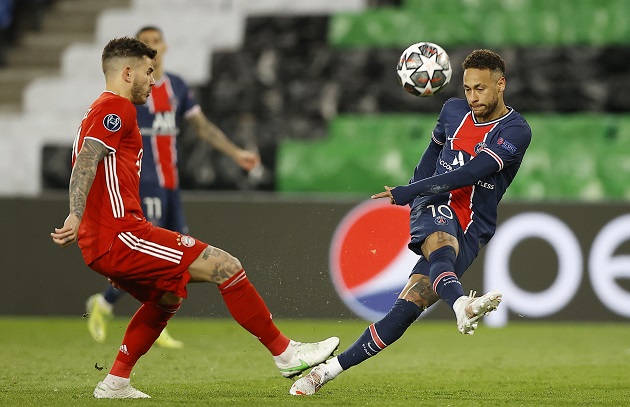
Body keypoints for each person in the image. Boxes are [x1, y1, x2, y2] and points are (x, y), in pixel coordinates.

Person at [51, 36, 339, 399]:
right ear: (127, 72)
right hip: (119, 234)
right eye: (148, 71)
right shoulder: (117, 109)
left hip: (106, 240)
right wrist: (75, 213)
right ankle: (286, 353)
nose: (153, 81)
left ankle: (115, 382)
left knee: (166, 297)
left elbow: (91, 159)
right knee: (225, 266)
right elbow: (87, 160)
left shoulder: (99, 110)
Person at [290, 49, 532, 396]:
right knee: (441, 244)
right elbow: (433, 152)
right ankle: (462, 305)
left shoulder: (516, 131)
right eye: (467, 89)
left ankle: (325, 372)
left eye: (480, 88)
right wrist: (417, 195)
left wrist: (410, 190)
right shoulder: (452, 111)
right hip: (434, 204)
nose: (473, 97)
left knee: (407, 309)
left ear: (501, 84)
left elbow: (471, 172)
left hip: (473, 226)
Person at [85, 25, 261, 349]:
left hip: (171, 185)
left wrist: (236, 153)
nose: (153, 47)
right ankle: (139, 311)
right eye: (146, 43)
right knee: (155, 254)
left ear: (164, 46)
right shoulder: (132, 93)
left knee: (175, 253)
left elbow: (202, 127)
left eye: (156, 41)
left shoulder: (177, 87)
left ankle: (116, 305)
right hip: (143, 184)